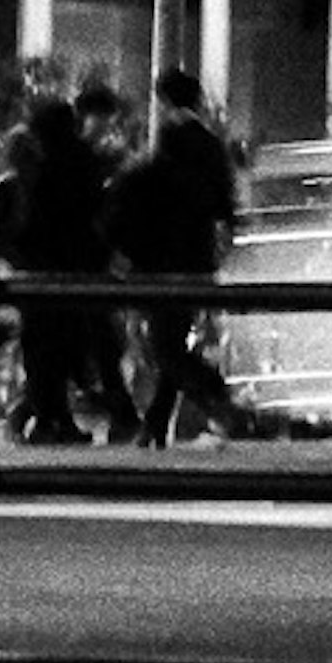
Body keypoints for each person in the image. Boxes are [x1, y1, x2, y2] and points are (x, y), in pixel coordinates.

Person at [106, 71, 244, 445]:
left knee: (164, 345)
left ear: (164, 101)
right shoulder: (212, 144)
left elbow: (156, 193)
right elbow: (224, 202)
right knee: (172, 339)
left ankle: (215, 394)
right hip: (197, 256)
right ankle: (154, 425)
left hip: (165, 257)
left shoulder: (170, 143)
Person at [0, 83, 120, 444]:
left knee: (44, 349)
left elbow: (33, 222)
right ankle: (49, 419)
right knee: (65, 346)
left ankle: (45, 418)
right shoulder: (80, 162)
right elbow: (93, 217)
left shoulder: (43, 167)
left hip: (41, 267)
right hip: (74, 266)